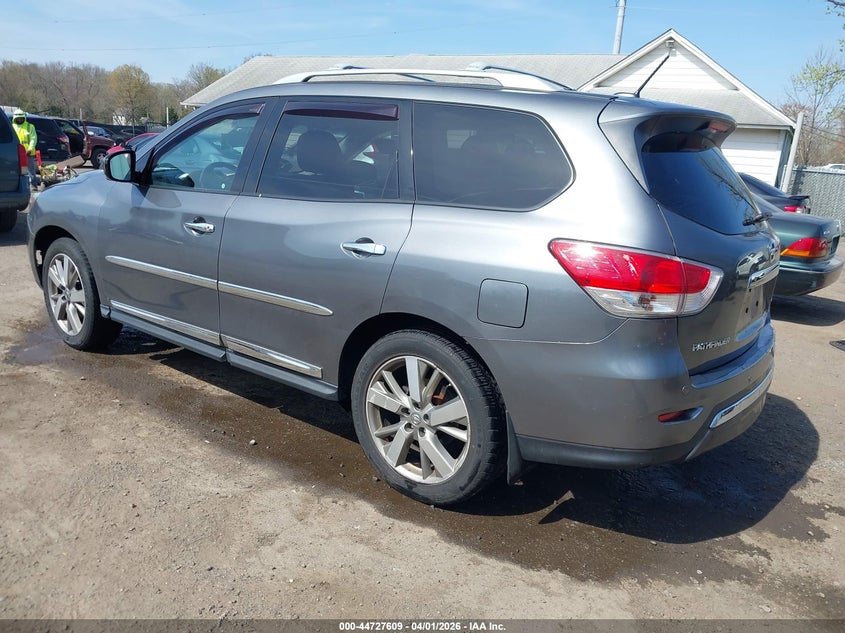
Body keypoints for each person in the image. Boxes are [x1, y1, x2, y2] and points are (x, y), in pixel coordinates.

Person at [11, 109, 40, 188]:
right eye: (18, 118)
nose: (20, 119)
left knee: (30, 170)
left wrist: (30, 149)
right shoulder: (12, 127)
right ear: (14, 118)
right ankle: (17, 186)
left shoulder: (29, 127)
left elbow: (33, 139)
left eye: (21, 118)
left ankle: (33, 185)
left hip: (28, 153)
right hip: (15, 153)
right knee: (16, 171)